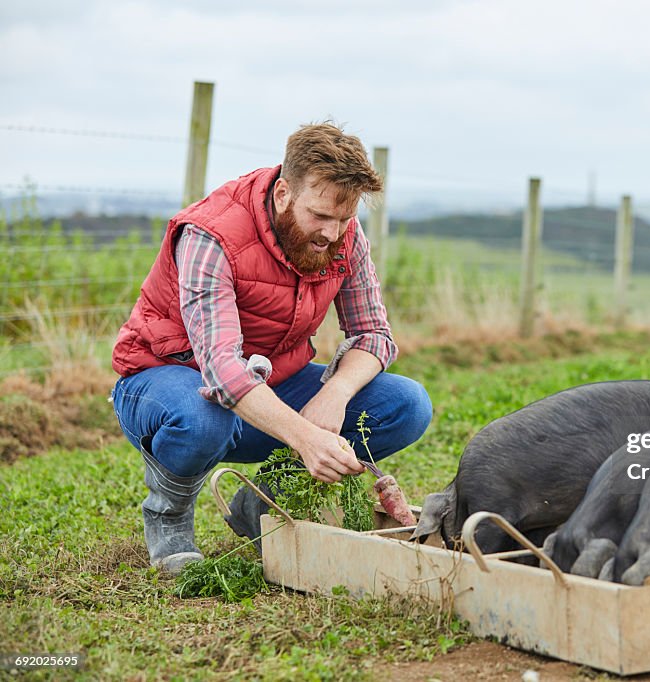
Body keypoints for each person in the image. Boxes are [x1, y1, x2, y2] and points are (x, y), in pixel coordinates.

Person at [110, 122, 432, 573]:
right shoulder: (211, 234)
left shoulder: (346, 236)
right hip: (167, 379)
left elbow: (374, 335)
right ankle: (168, 516)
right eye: (320, 216)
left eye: (344, 219)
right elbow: (221, 370)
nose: (332, 233)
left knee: (407, 404)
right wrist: (307, 439)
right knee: (203, 417)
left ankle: (261, 505)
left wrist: (332, 396)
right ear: (283, 194)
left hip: (273, 381)